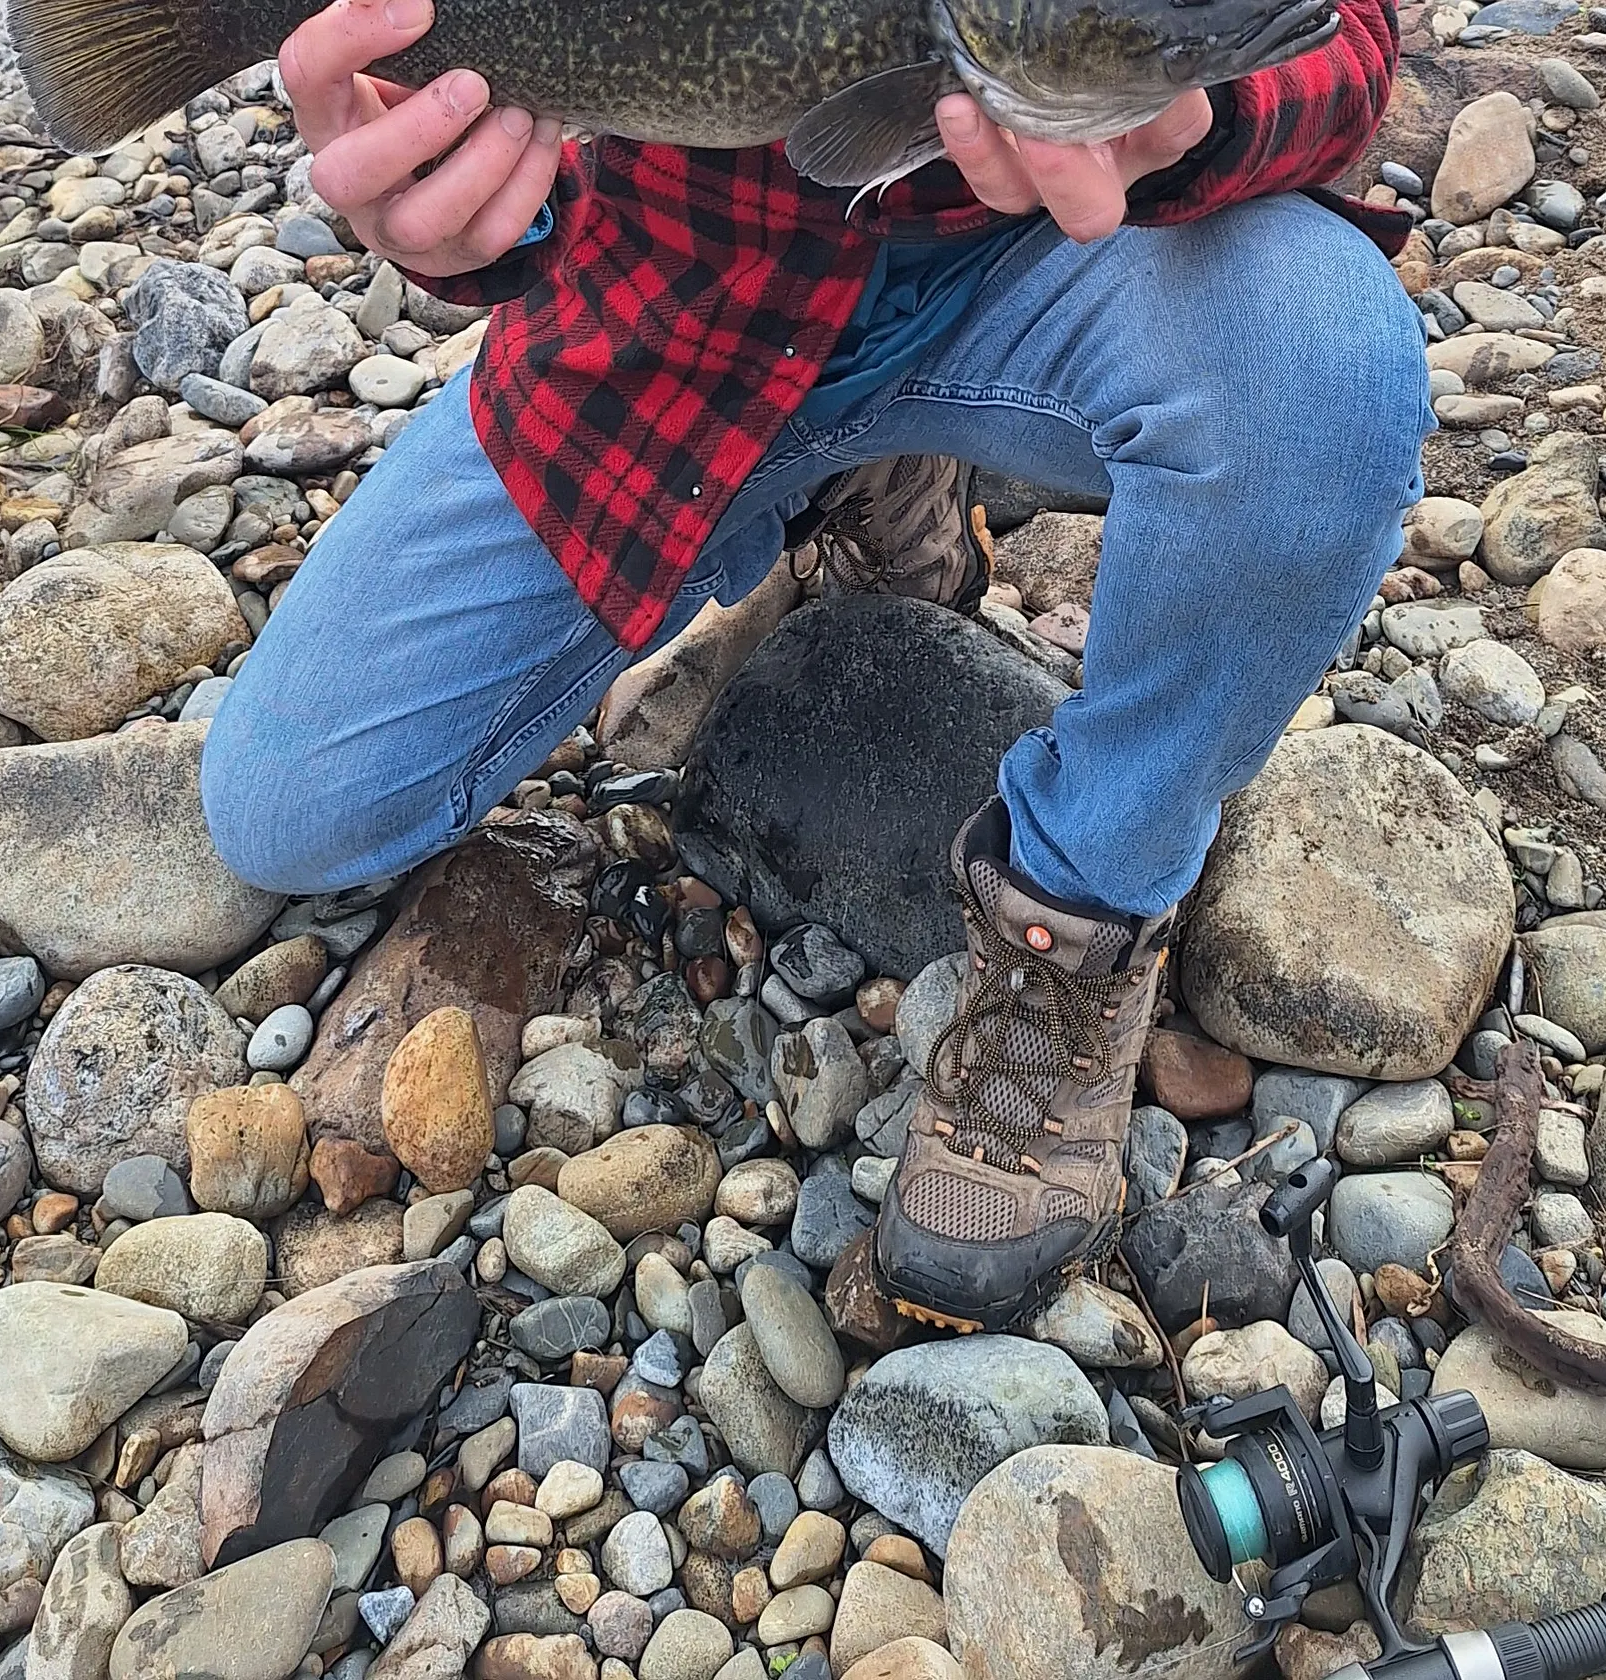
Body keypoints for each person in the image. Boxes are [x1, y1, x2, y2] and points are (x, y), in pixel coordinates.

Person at [200, 0, 1433, 1332]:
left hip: (1062, 274)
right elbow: (500, 99)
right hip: (668, 337)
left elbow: (1332, 27)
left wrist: (1194, 125)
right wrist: (464, 211)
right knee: (291, 813)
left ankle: (1080, 916)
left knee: (1328, 370)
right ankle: (843, 480)